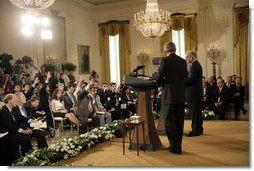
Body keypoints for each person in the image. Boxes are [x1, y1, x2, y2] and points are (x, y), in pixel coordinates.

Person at [153, 42, 187, 154]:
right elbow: (185, 76)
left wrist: (158, 79)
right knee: (179, 121)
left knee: (169, 121)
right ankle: (178, 146)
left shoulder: (164, 61)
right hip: (181, 95)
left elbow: (159, 78)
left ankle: (174, 146)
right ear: (175, 49)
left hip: (169, 95)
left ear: (165, 50)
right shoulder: (183, 61)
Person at [185, 50, 203, 136]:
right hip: (196, 93)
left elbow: (191, 80)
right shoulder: (195, 65)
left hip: (194, 94)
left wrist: (181, 81)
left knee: (195, 113)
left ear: (193, 56)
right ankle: (199, 129)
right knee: (197, 113)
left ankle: (195, 130)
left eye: (187, 57)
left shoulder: (195, 66)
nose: (186, 59)